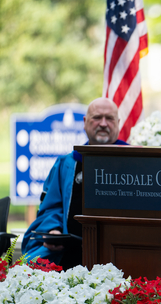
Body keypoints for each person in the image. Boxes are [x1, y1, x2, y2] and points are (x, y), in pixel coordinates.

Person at [22, 97, 128, 269]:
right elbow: (52, 207)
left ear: (118, 123)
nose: (103, 123)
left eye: (109, 118)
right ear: (85, 122)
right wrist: (53, 231)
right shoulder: (67, 164)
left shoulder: (136, 162)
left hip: (123, 254)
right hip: (69, 257)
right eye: (96, 117)